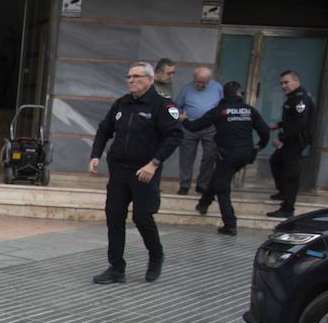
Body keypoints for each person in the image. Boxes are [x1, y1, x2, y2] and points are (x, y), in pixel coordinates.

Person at [89, 62, 184, 284]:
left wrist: (154, 163)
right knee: (114, 217)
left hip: (145, 172)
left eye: (136, 77)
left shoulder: (162, 105)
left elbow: (175, 136)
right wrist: (96, 154)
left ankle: (156, 255)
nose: (131, 80)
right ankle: (116, 267)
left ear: (150, 80)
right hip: (119, 171)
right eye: (129, 77)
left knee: (142, 217)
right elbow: (104, 129)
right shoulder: (121, 104)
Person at [185, 81, 269, 235]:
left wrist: (183, 119)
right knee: (219, 176)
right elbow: (264, 130)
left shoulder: (220, 110)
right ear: (239, 93)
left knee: (222, 188)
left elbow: (195, 126)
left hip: (228, 154)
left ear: (224, 95)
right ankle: (203, 203)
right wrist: (260, 146)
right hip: (245, 154)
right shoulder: (249, 110)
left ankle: (230, 224)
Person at [267, 70, 315, 219]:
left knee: (291, 174)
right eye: (281, 83)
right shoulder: (293, 97)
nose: (283, 86)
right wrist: (279, 124)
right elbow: (293, 119)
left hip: (295, 141)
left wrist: (282, 138)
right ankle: (282, 192)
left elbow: (299, 124)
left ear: (296, 81)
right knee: (275, 161)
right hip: (290, 139)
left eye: (286, 82)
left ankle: (287, 208)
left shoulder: (301, 99)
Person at [174, 66, 223, 196]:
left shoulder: (218, 88)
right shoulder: (186, 89)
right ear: (194, 78)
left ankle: (202, 185)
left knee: (209, 156)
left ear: (210, 80)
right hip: (189, 126)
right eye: (198, 82)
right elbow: (176, 106)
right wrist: (179, 117)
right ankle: (184, 184)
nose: (200, 85)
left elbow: (223, 106)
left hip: (210, 127)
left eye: (204, 83)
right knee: (186, 157)